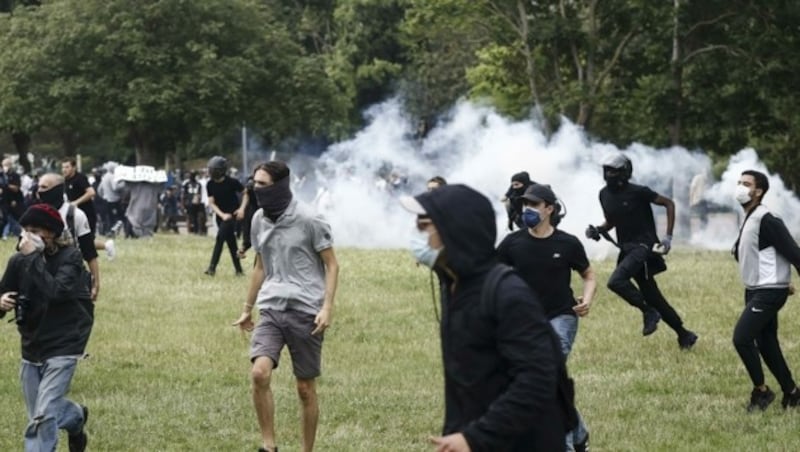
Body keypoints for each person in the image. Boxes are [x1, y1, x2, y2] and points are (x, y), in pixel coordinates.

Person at [400, 184, 566, 452]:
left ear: (455, 231)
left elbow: (537, 381)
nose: (416, 233)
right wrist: (457, 433)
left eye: (424, 224)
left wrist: (474, 438)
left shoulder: (507, 294)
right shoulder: (453, 285)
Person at [233, 161, 339, 452]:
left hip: (306, 309)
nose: (256, 189)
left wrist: (327, 307)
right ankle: (269, 446)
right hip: (271, 308)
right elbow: (260, 266)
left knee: (305, 389)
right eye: (254, 183)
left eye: (263, 184)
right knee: (259, 373)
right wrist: (247, 307)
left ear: (280, 185)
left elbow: (331, 265)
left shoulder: (310, 218)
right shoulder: (258, 219)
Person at [497, 183, 595, 452]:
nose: (527, 209)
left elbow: (588, 275)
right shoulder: (512, 243)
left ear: (549, 209)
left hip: (561, 317)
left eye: (534, 205)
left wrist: (587, 299)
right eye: (525, 205)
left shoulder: (567, 243)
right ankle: (578, 432)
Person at [0, 203, 93, 452]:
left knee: (42, 416)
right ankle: (75, 416)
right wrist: (2, 302)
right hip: (32, 346)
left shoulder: (70, 257)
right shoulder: (18, 261)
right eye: (25, 230)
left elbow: (56, 292)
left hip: (64, 342)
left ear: (51, 232)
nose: (28, 236)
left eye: (36, 230)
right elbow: (3, 294)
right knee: (41, 413)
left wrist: (32, 257)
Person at [586, 152, 698, 349]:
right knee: (654, 296)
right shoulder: (603, 195)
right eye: (607, 170)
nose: (609, 174)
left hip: (644, 247)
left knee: (616, 281)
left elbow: (668, 203)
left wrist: (668, 237)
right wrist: (599, 229)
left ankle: (648, 312)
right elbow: (612, 220)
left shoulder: (639, 192)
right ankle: (684, 334)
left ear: (624, 172)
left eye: (613, 171)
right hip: (627, 249)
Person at [731, 170, 800, 411]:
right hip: (755, 289)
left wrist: (782, 283)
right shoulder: (750, 217)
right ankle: (792, 392)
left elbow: (794, 253)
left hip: (768, 292)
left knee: (741, 338)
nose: (740, 186)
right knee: (767, 343)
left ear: (758, 191)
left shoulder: (768, 219)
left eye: (746, 184)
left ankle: (762, 392)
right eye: (739, 182)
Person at [36, 173, 101, 301]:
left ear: (57, 189)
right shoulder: (35, 214)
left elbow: (89, 252)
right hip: (42, 275)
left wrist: (96, 281)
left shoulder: (76, 215)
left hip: (71, 277)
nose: (39, 191)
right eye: (39, 187)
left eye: (44, 187)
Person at [62, 157, 115, 260]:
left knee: (86, 240)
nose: (64, 169)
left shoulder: (80, 178)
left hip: (87, 214)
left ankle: (106, 246)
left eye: (67, 167)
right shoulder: (66, 180)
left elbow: (91, 192)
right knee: (79, 240)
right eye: (63, 167)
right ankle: (107, 246)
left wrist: (76, 202)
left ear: (73, 167)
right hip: (74, 215)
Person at [204, 156, 247, 276]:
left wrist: (242, 209)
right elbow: (211, 203)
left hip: (232, 216)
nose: (211, 172)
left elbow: (246, 193)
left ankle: (212, 268)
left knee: (220, 239)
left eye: (214, 170)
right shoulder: (210, 184)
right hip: (221, 217)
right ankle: (239, 270)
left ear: (221, 170)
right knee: (231, 242)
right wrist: (222, 215)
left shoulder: (232, 182)